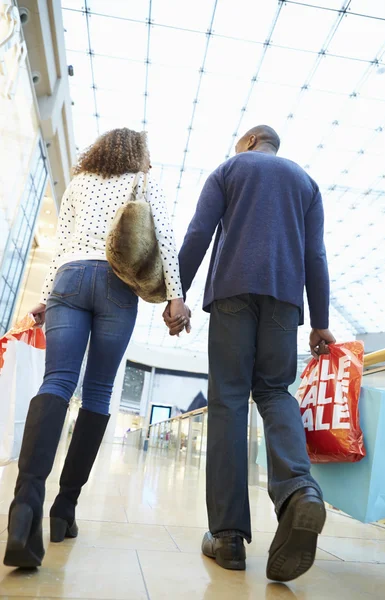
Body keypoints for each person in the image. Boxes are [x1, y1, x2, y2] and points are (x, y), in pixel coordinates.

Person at [4, 128, 190, 569]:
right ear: (137, 153)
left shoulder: (79, 182)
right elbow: (163, 233)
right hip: (115, 285)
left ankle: (24, 508)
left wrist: (49, 297)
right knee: (99, 392)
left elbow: (59, 247)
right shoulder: (142, 182)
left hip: (68, 280)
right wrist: (175, 295)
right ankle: (64, 509)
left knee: (57, 381)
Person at [164, 125, 335, 582]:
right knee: (276, 392)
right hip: (284, 300)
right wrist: (319, 321)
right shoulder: (305, 183)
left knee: (228, 402)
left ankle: (227, 537)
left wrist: (175, 294)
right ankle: (299, 490)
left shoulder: (230, 169)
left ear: (251, 140)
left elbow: (199, 233)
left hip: (233, 295)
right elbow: (315, 255)